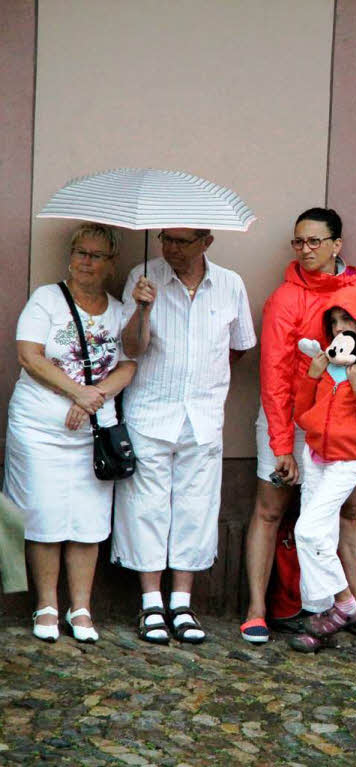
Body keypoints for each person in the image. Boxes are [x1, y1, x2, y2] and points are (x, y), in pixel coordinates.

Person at [242, 208, 356, 645]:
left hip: (347, 422)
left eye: (314, 242)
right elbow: (273, 377)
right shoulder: (285, 298)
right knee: (270, 511)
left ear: (336, 245)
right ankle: (257, 609)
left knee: (347, 514)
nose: (305, 250)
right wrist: (282, 443)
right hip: (291, 419)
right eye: (298, 242)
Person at [115, 227, 256, 644]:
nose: (170, 248)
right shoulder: (144, 277)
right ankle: (150, 604)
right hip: (151, 411)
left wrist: (206, 379)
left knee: (196, 506)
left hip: (204, 415)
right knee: (146, 506)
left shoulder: (230, 284)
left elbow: (240, 345)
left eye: (181, 241)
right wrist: (141, 310)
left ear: (206, 242)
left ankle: (181, 602)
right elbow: (131, 349)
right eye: (166, 239)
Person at [4, 223, 136, 642]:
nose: (85, 261)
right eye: (80, 252)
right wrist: (78, 393)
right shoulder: (47, 299)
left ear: (111, 264)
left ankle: (81, 607)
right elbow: (29, 355)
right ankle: (46, 604)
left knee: (87, 518)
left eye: (96, 255)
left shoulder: (119, 311)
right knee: (44, 513)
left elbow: (130, 363)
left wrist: (94, 396)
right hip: (40, 429)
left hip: (94, 433)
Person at [287, 295, 356, 653]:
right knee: (320, 535)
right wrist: (313, 377)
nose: (337, 329)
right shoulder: (328, 359)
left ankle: (346, 603)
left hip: (349, 461)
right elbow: (303, 416)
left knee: (307, 531)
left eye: (345, 321)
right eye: (332, 322)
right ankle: (323, 622)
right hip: (316, 454)